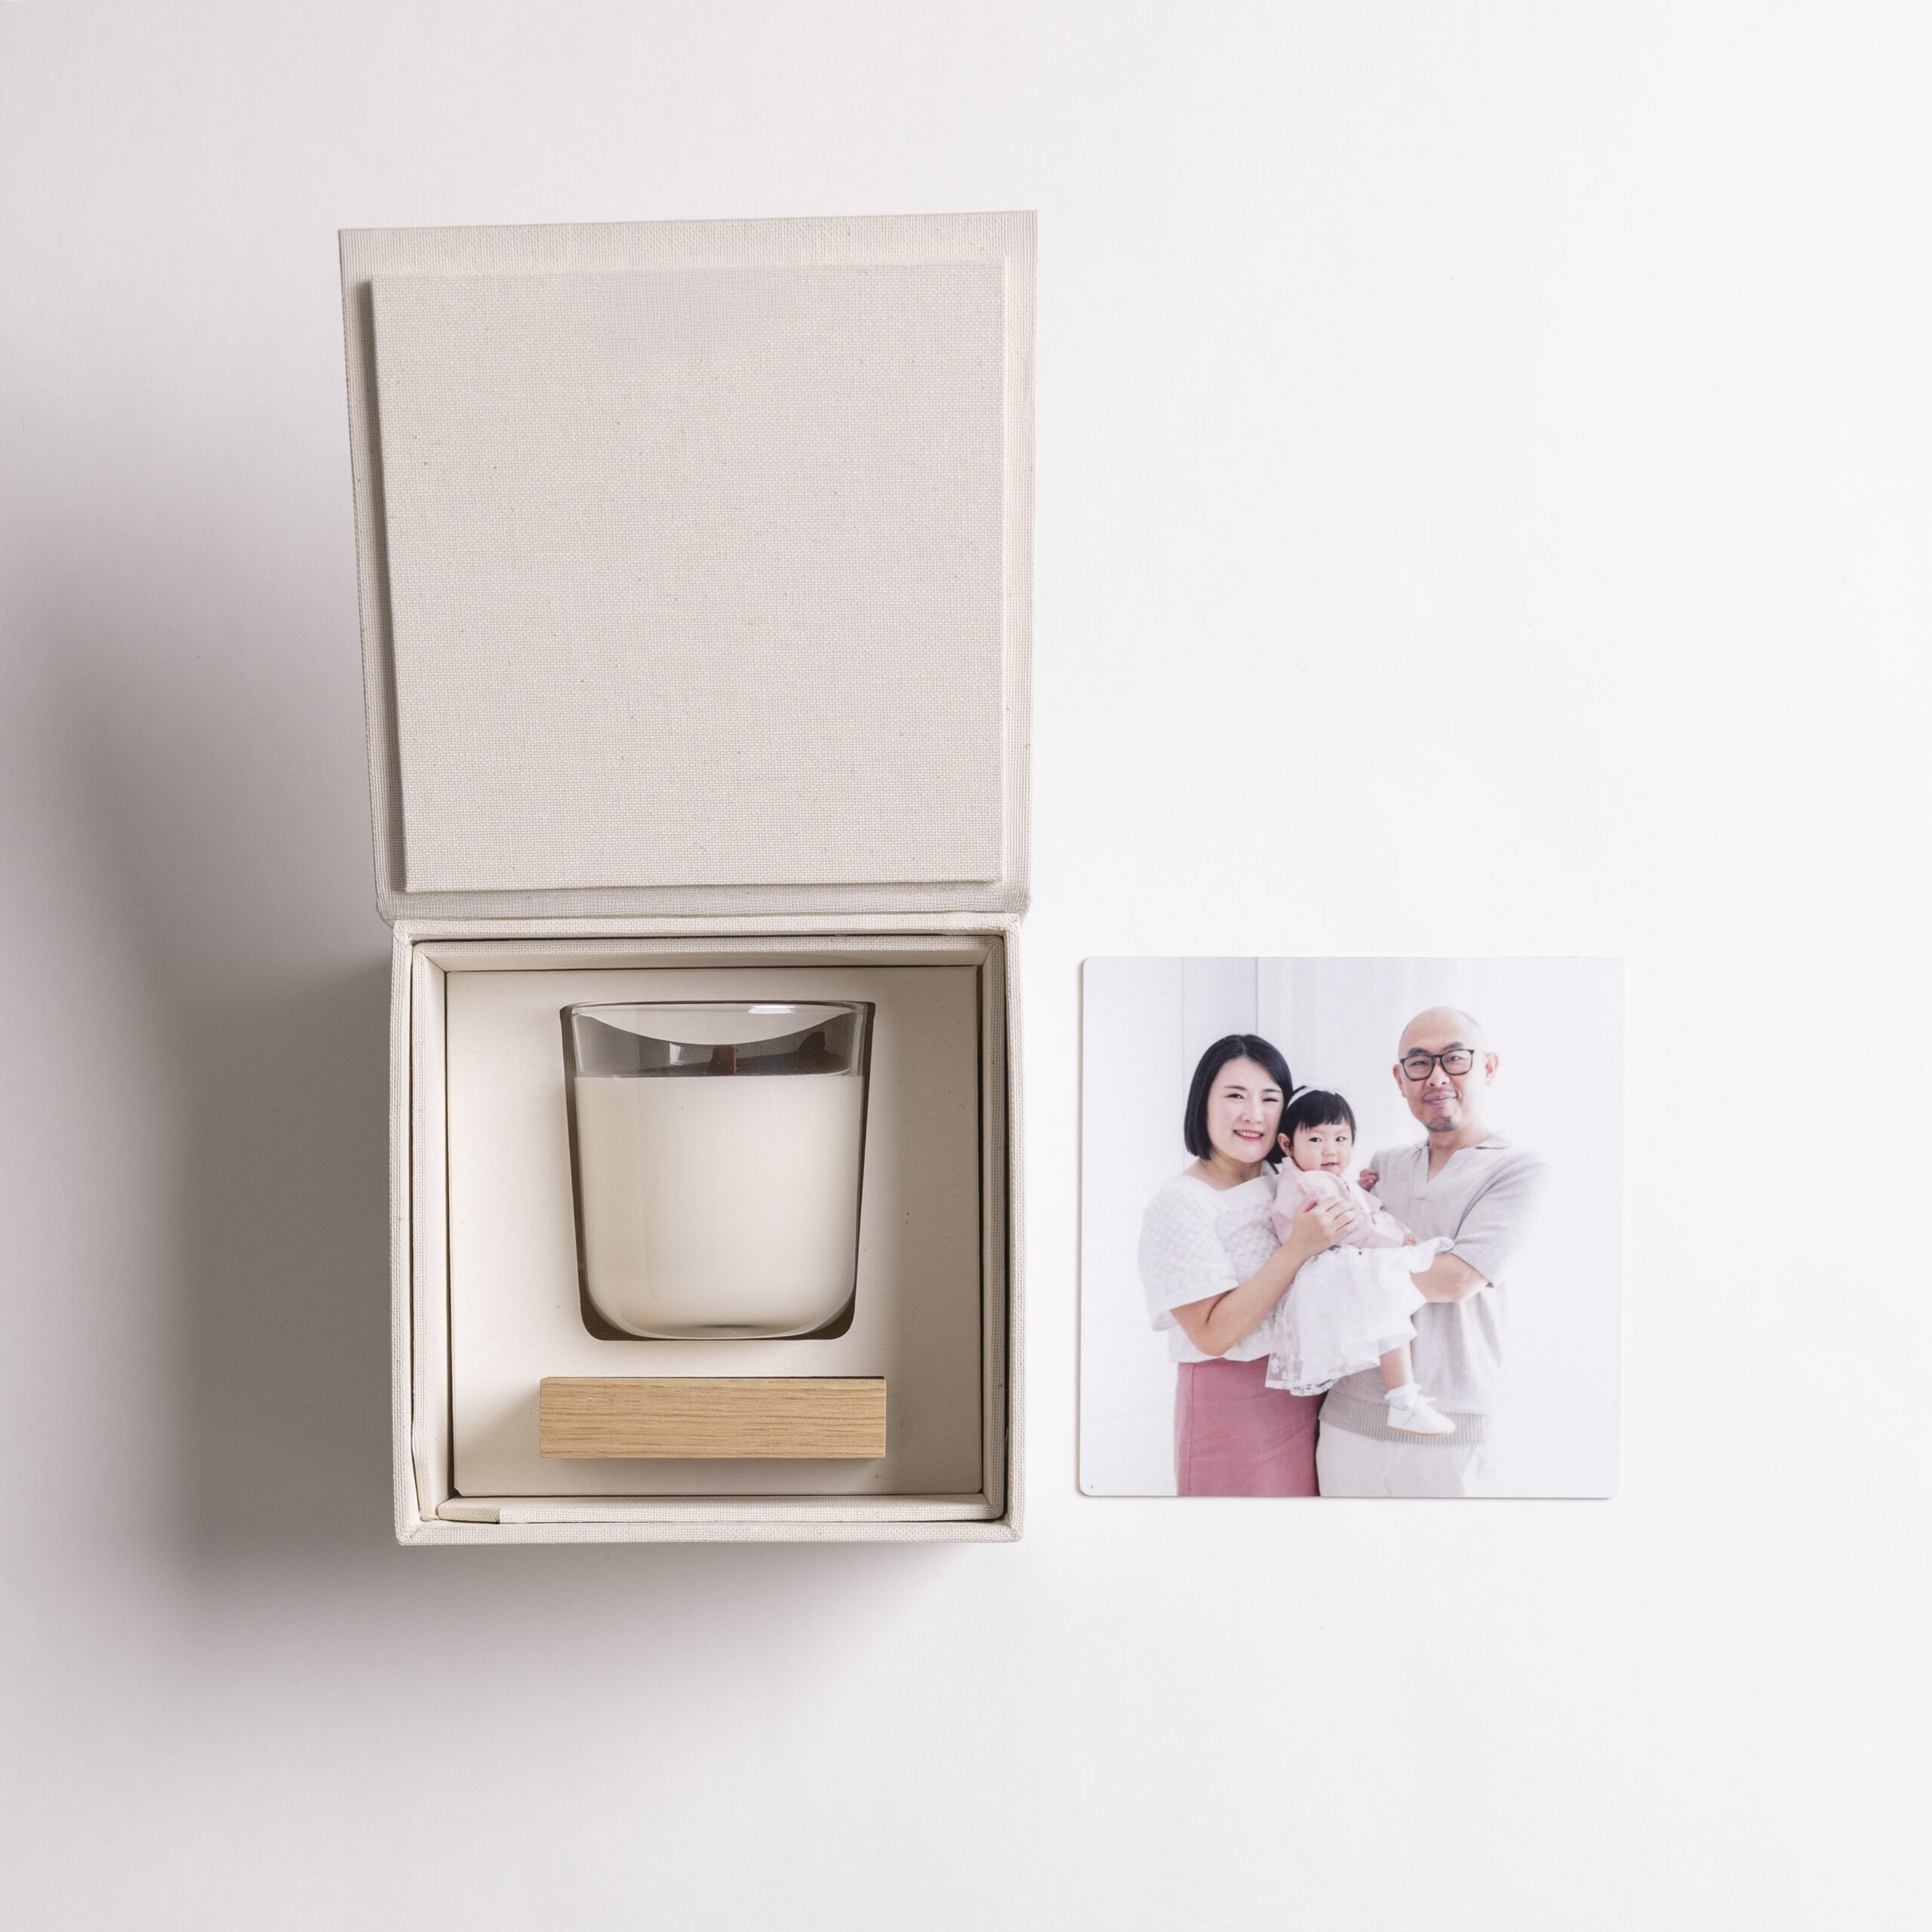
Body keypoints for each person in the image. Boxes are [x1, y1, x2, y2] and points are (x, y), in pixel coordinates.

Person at [1315, 1008, 1552, 1497]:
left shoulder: (1519, 1170)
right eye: (1420, 1063)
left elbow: (1457, 1280)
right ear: (1400, 1079)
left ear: (1488, 1067)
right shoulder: (1381, 1167)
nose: (1437, 1077)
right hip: (1348, 1419)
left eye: (1455, 1059)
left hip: (1455, 1431)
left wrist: (1346, 1272)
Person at [1137, 1035, 1356, 1496]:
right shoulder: (1182, 1201)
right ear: (1203, 1103)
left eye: (1270, 1098)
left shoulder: (1287, 1181)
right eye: (1235, 1096)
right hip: (1232, 1407)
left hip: (1312, 1396)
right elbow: (1211, 1334)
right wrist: (1296, 1249)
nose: (1254, 1114)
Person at [1253, 1088, 1454, 1434]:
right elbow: (1349, 1227)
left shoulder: (1311, 1178)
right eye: (1316, 1139)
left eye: (1341, 1138)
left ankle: (1404, 1398)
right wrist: (1395, 1239)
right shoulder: (1313, 1182)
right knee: (1387, 1307)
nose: (1331, 1149)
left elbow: (1347, 1209)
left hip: (1325, 1264)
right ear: (1287, 1145)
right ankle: (1404, 1398)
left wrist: (1358, 1188)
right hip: (1326, 1265)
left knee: (1387, 1313)